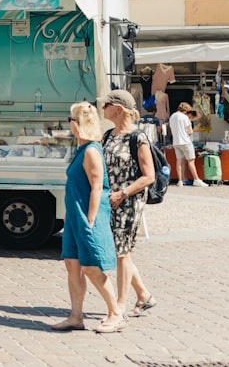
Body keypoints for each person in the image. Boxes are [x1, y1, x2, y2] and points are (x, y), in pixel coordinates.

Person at [50, 102, 126, 333]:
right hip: (75, 214)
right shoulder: (82, 148)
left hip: (86, 214)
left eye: (71, 120)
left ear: (76, 124)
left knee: (91, 266)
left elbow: (96, 186)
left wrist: (91, 218)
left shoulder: (91, 150)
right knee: (72, 264)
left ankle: (115, 313)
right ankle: (76, 316)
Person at [100, 89, 157, 318]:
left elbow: (148, 175)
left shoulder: (138, 137)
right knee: (120, 251)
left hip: (129, 201)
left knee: (122, 252)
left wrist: (123, 193)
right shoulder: (108, 135)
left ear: (118, 109)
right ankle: (143, 295)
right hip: (109, 200)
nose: (102, 108)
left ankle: (120, 304)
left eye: (106, 105)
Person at [170, 101, 206, 187]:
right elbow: (190, 131)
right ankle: (196, 179)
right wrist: (196, 130)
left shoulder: (172, 116)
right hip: (185, 141)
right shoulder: (184, 117)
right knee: (191, 161)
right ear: (186, 110)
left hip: (176, 142)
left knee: (179, 161)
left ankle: (180, 181)